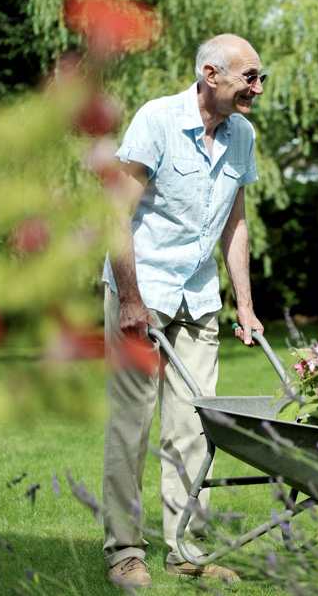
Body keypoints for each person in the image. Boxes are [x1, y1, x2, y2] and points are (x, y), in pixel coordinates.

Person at [99, 33, 266, 589]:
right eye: (250, 77)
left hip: (198, 296)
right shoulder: (158, 120)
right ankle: (125, 550)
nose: (258, 89)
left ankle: (185, 549)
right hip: (140, 292)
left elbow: (235, 222)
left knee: (196, 425)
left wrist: (244, 303)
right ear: (212, 75)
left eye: (259, 77)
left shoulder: (241, 135)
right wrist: (128, 298)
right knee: (131, 424)